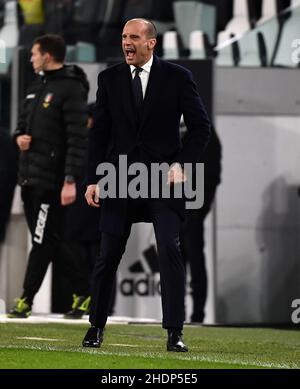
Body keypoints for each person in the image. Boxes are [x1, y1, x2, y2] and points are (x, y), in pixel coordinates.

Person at [81, 18, 210, 352]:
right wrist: (93, 178)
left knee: (169, 249)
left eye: (134, 37)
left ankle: (174, 332)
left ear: (151, 42)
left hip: (163, 180)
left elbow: (200, 128)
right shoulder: (109, 78)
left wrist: (183, 164)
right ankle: (95, 327)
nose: (127, 42)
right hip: (120, 179)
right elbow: (99, 135)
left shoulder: (178, 78)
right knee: (108, 255)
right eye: (124, 37)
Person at [8, 34, 89, 318]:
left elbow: (78, 139)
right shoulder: (35, 86)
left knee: (42, 241)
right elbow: (20, 126)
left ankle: (25, 300)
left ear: (48, 55)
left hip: (51, 182)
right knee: (50, 239)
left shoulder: (71, 88)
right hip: (29, 177)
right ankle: (85, 291)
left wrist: (69, 180)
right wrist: (20, 138)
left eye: (34, 53)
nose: (31, 58)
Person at [181, 124, 222, 323]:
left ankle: (198, 314)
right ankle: (176, 310)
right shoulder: (174, 124)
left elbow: (212, 173)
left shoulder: (205, 131)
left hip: (193, 209)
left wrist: (200, 208)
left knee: (194, 258)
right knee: (175, 260)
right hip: (176, 206)